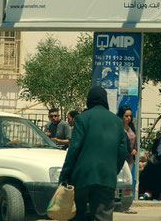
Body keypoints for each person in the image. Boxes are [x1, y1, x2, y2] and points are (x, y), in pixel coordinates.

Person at [59, 86, 127, 221]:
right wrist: (113, 171)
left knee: (77, 214)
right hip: (106, 177)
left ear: (89, 100)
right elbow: (122, 151)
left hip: (82, 176)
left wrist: (65, 174)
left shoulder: (82, 118)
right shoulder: (117, 122)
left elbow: (74, 149)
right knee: (104, 215)